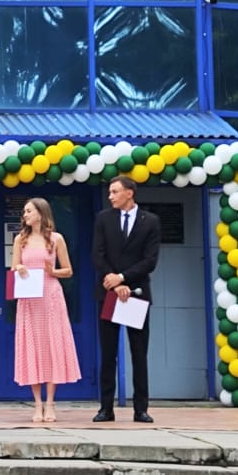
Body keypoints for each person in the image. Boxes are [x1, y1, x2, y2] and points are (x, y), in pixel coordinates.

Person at [91, 175, 160, 423]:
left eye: (115, 192)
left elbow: (150, 260)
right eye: (110, 192)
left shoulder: (150, 221)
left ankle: (141, 409)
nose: (110, 196)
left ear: (129, 193)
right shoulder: (103, 218)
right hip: (109, 293)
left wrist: (123, 279)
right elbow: (97, 254)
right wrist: (113, 280)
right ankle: (105, 408)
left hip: (137, 294)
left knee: (139, 353)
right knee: (108, 353)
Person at [11, 196, 80, 423]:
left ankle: (50, 403)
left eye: (29, 211)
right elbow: (13, 270)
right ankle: (37, 404)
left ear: (41, 213)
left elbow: (68, 270)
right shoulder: (20, 239)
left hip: (50, 296)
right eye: (24, 211)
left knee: (52, 347)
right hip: (29, 299)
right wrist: (20, 268)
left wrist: (53, 272)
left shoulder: (56, 239)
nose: (25, 215)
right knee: (32, 347)